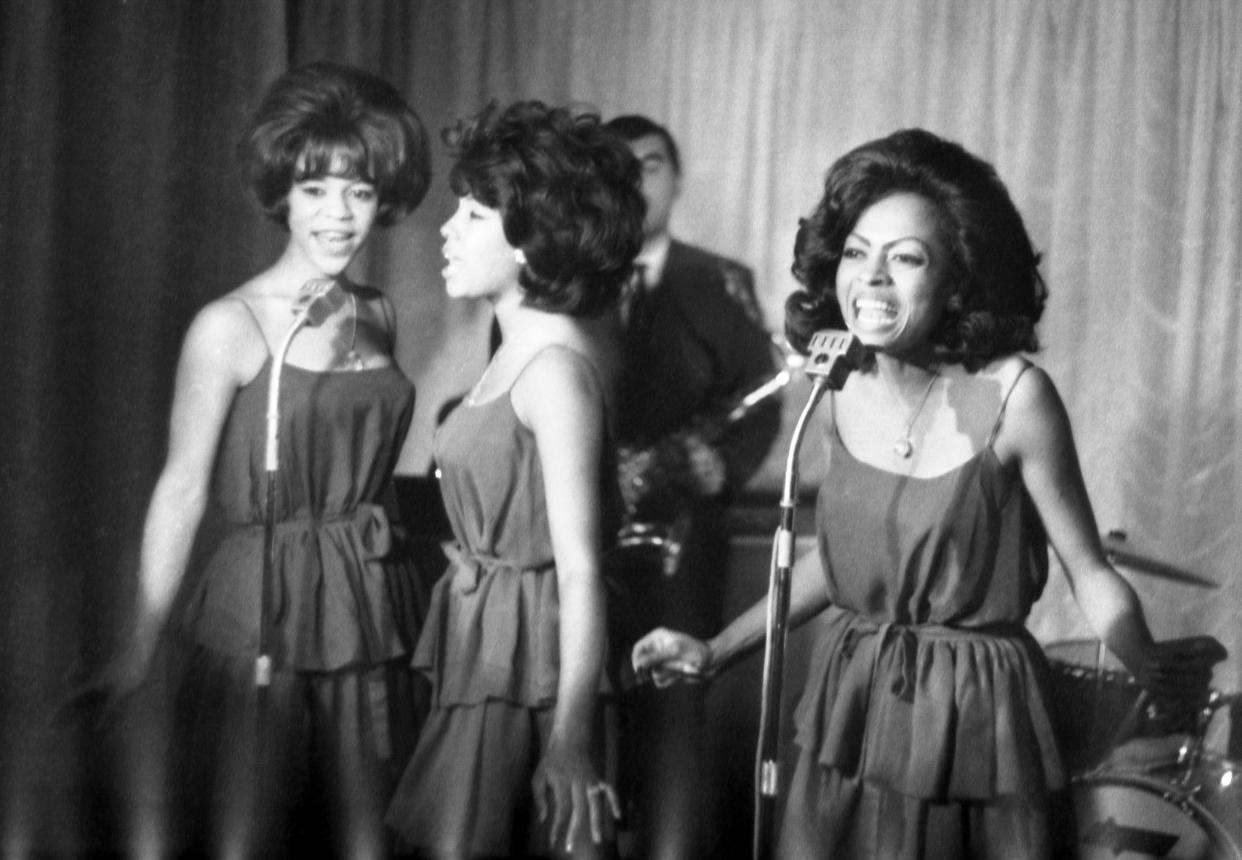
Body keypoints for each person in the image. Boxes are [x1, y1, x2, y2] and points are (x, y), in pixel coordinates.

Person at [631, 128, 1225, 859]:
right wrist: (716, 649)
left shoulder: (1017, 397)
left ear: (957, 281)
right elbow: (843, 560)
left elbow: (1091, 570)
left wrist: (1149, 668)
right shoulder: (840, 388)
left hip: (977, 715)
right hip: (852, 701)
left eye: (905, 258)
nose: (871, 281)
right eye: (856, 253)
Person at [92, 61, 432, 858]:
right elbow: (180, 489)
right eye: (316, 189)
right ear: (283, 192)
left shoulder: (377, 312)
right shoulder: (228, 324)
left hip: (373, 599)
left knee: (373, 832)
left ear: (385, 197)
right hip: (263, 603)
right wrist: (143, 646)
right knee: (253, 831)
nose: (338, 214)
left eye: (359, 190)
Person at [384, 100, 645, 859]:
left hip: (534, 665)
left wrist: (569, 740)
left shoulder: (556, 372)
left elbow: (583, 569)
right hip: (491, 644)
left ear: (534, 240)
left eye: (471, 214)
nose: (446, 230)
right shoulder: (513, 350)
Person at [602, 114, 783, 859]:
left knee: (676, 711)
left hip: (682, 532)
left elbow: (761, 403)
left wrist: (709, 468)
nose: (637, 181)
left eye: (650, 165)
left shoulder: (719, 280)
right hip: (587, 529)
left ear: (675, 178)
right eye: (619, 167)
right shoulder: (560, 275)